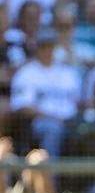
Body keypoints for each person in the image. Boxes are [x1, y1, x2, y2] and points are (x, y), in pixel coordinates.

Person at [10, 28, 81, 159]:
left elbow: (78, 102)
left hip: (70, 121)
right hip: (41, 121)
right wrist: (52, 117)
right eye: (43, 46)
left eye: (50, 45)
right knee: (52, 129)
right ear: (37, 48)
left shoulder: (68, 73)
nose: (47, 49)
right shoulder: (26, 73)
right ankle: (49, 171)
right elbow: (22, 107)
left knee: (87, 130)